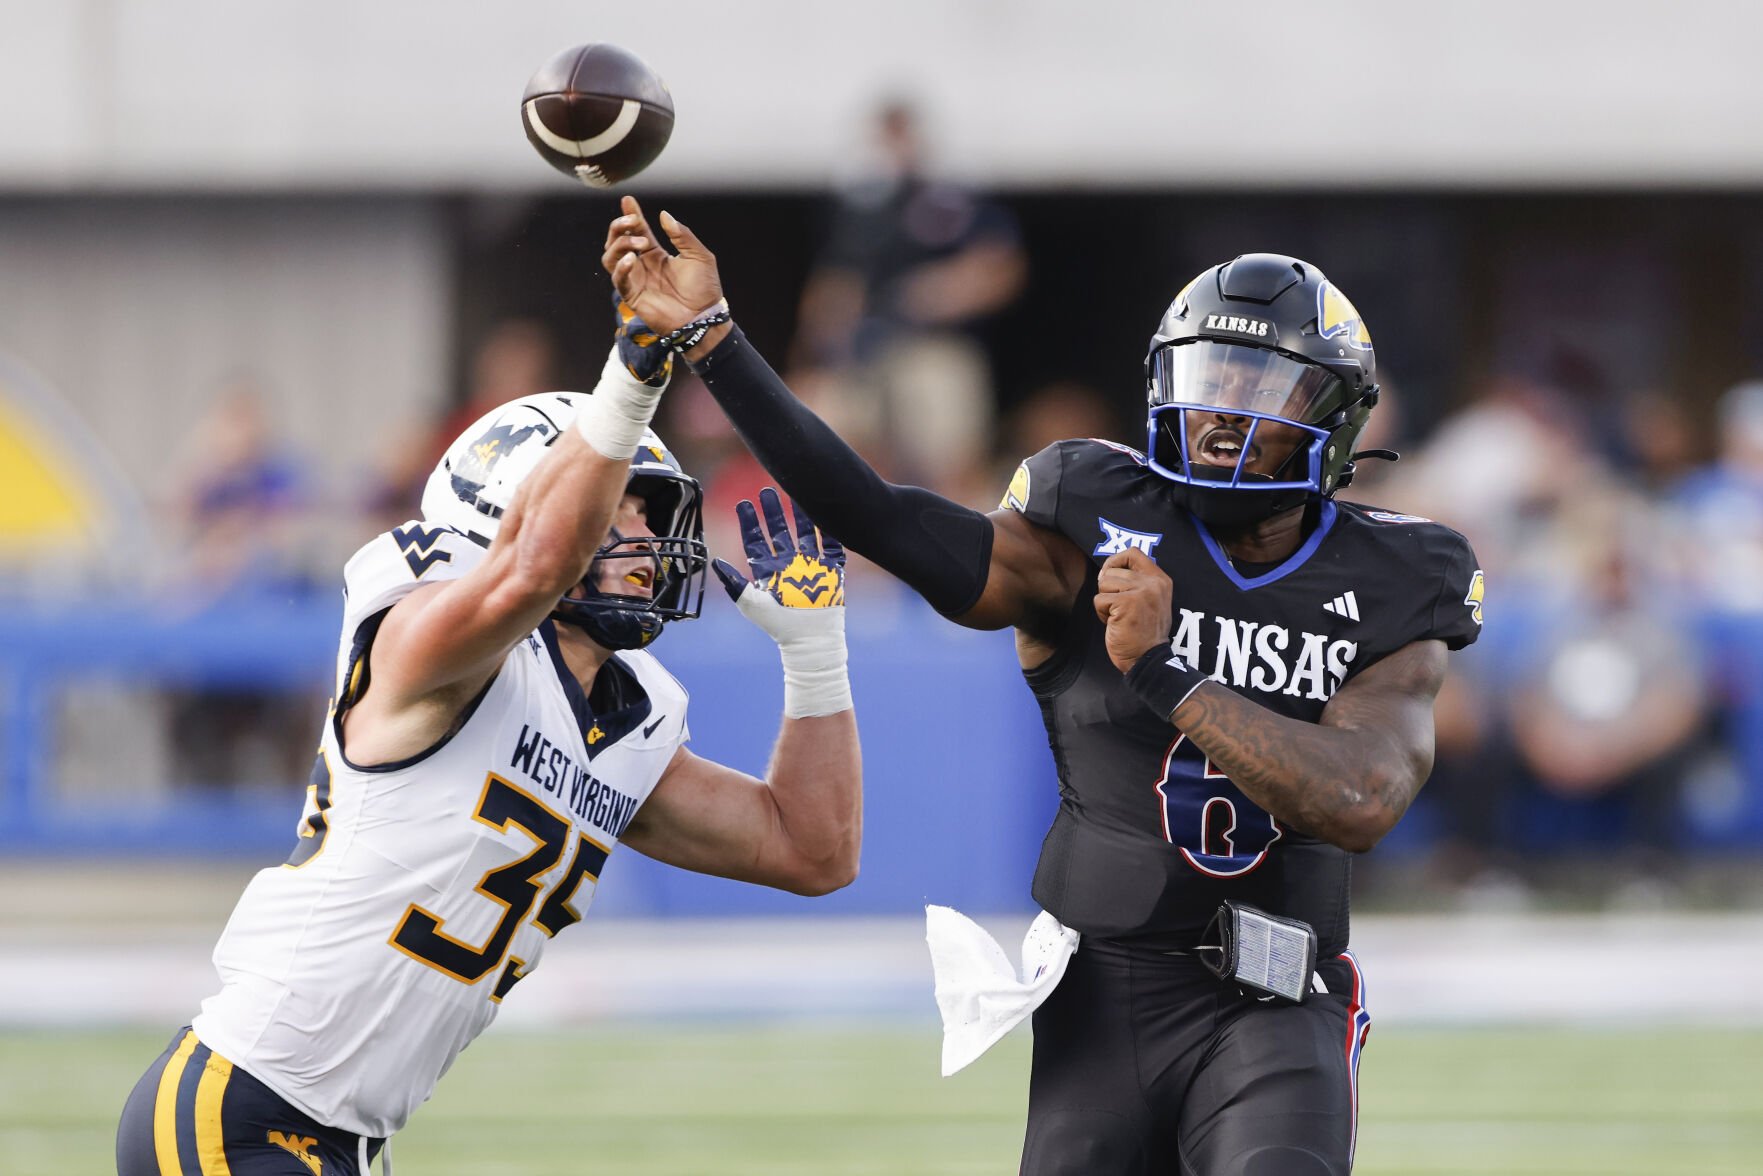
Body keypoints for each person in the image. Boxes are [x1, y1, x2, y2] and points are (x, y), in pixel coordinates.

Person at [604, 198, 1482, 1175]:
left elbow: (1359, 798)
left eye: (1258, 387)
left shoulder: (1397, 572)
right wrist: (713, 339)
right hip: (1099, 1000)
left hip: (1276, 1002)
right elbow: (887, 518)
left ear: (1332, 411)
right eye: (1209, 376)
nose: (1222, 413)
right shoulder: (1089, 515)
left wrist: (1160, 669)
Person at [115, 293, 862, 1174]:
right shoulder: (430, 642)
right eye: (614, 511)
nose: (642, 540)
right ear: (512, 510)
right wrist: (629, 378)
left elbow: (812, 850)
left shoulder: (629, 719)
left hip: (348, 1136)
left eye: (646, 516)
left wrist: (817, 660)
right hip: (244, 1102)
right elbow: (530, 572)